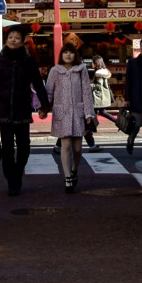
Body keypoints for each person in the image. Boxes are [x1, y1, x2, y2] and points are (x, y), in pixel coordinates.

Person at [0, 25, 50, 195]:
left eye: (17, 37)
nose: (14, 40)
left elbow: (37, 82)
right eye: (11, 37)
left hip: (23, 108)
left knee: (24, 147)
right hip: (4, 109)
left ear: (22, 41)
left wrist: (44, 105)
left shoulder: (28, 61)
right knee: (7, 148)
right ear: (6, 40)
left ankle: (18, 172)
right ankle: (11, 180)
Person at [48, 43, 97, 193]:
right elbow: (49, 91)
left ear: (75, 55)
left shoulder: (81, 70)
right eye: (65, 52)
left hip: (78, 112)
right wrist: (44, 107)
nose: (68, 55)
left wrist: (89, 113)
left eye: (71, 52)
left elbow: (87, 92)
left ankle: (74, 169)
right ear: (61, 55)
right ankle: (67, 176)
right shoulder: (55, 71)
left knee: (77, 148)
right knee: (66, 145)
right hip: (62, 113)